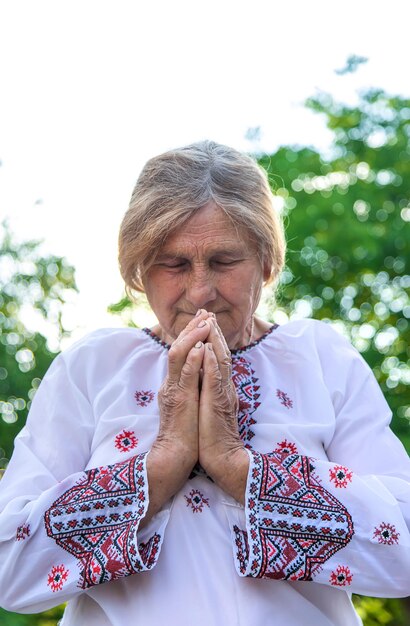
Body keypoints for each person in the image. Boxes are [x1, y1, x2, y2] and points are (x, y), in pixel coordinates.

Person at [0, 141, 409, 626]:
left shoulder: (320, 359)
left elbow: (401, 553)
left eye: (223, 261)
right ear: (138, 271)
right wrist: (163, 463)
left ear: (266, 261)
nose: (200, 292)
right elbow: (11, 570)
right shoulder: (92, 367)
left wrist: (239, 468)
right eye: (173, 264)